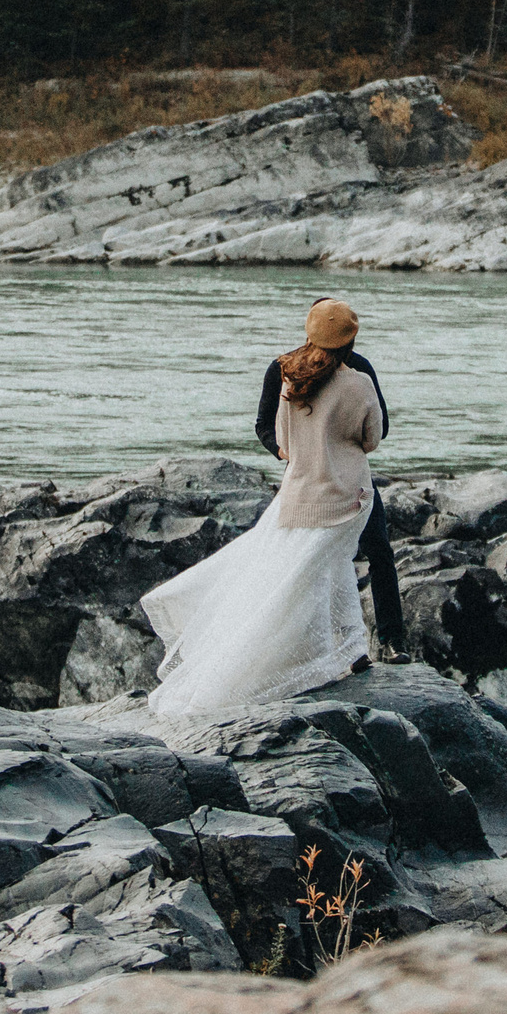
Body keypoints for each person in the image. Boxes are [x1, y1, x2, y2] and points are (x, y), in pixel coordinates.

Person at [142, 299, 386, 716]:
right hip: (347, 495)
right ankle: (345, 650)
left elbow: (283, 443)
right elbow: (372, 440)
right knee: (337, 563)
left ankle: (348, 649)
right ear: (351, 341)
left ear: (309, 334)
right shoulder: (360, 383)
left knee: (306, 572)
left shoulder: (290, 380)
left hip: (298, 495)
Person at [254, 299, 406, 657]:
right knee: (351, 558)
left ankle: (388, 641)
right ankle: (340, 648)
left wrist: (292, 451)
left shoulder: (291, 369)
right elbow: (377, 434)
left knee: (361, 557)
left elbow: (271, 427)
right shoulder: (293, 369)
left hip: (312, 481)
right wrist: (287, 453)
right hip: (337, 482)